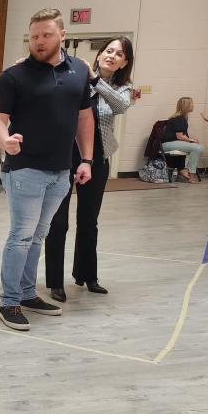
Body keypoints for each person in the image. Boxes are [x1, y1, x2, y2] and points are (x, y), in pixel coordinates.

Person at [0, 8, 94, 332]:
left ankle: (27, 292)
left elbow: (84, 117)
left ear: (62, 34)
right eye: (34, 36)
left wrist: (86, 159)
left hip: (61, 172)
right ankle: (9, 301)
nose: (39, 41)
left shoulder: (79, 72)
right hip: (25, 170)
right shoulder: (14, 76)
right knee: (21, 236)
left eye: (46, 35)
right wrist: (5, 141)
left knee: (38, 237)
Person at [45, 36, 135, 302]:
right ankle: (54, 282)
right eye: (109, 50)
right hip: (64, 156)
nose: (112, 56)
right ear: (99, 54)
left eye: (118, 54)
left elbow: (120, 106)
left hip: (98, 159)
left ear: (124, 62)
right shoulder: (76, 78)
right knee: (58, 221)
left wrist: (96, 81)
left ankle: (88, 276)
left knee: (88, 220)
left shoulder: (123, 88)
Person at [161, 97, 203, 183]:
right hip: (168, 143)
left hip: (175, 142)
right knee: (197, 148)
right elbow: (179, 136)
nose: (193, 106)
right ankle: (189, 173)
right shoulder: (178, 118)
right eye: (192, 104)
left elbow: (183, 136)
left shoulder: (183, 118)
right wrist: (191, 140)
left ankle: (185, 169)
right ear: (186, 106)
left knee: (199, 147)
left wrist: (191, 139)